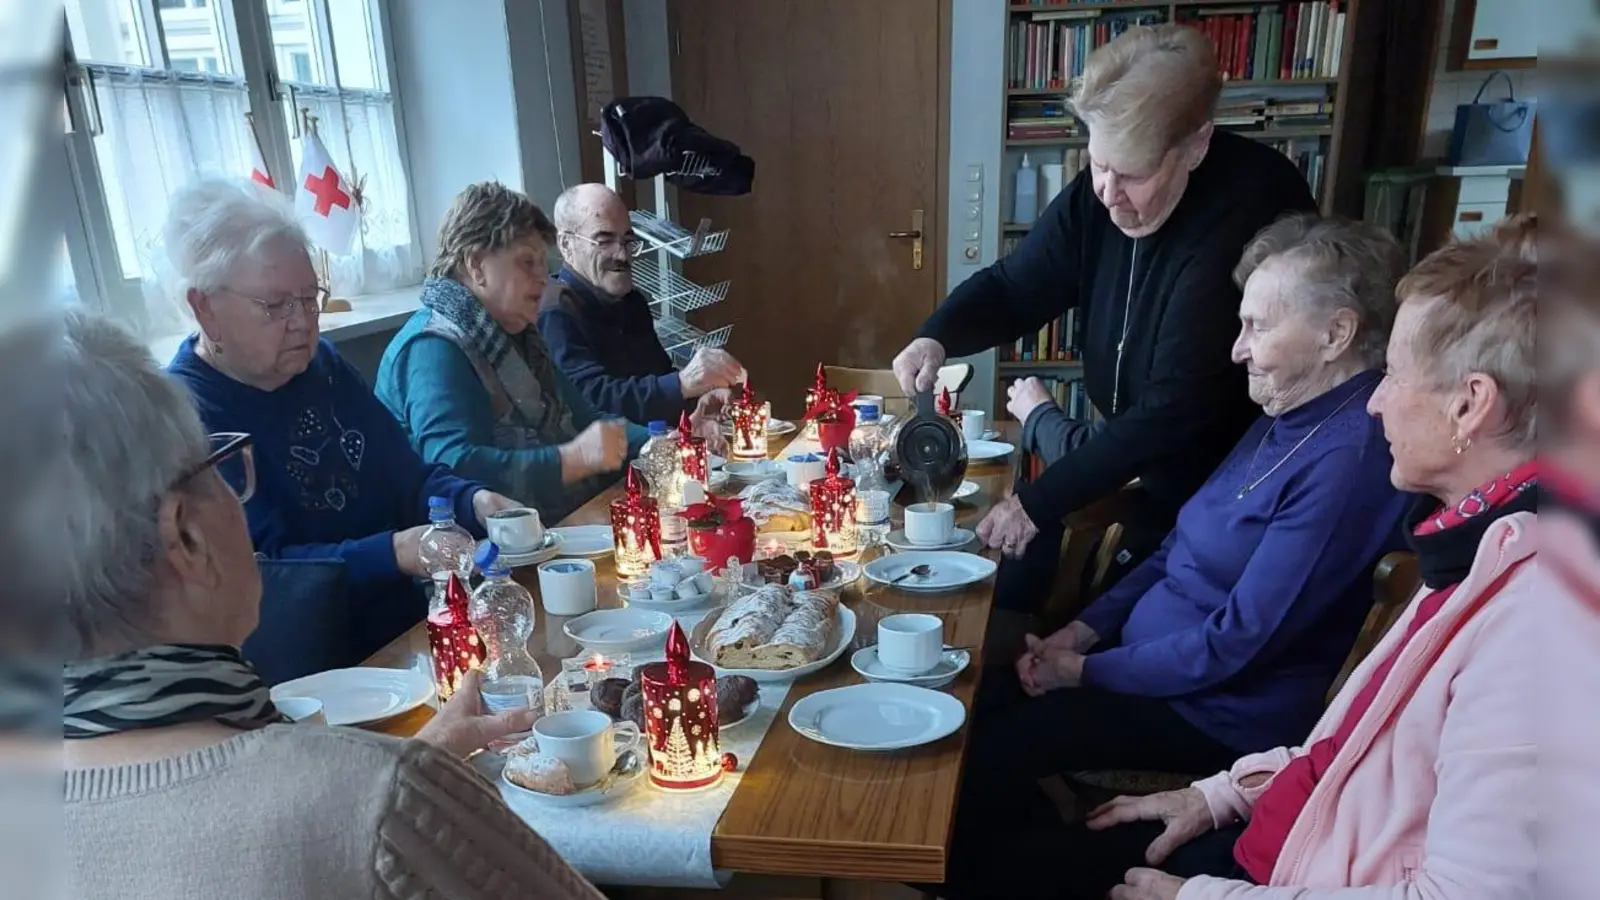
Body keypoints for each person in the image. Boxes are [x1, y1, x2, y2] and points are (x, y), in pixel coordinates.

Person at [940, 215, 1540, 900]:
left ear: (1336, 335)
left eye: (1396, 375)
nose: (1235, 351)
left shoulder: (1365, 471)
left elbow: (1241, 644)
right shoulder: (1294, 427)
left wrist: (1084, 670)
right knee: (971, 716)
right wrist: (1085, 635)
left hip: (1213, 717)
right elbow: (1347, 744)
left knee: (983, 793)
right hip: (1261, 790)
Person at [46, 310, 604, 900]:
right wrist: (400, 790)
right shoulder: (370, 802)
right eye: (223, 467)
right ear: (184, 536)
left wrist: (405, 774)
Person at [891, 24, 1316, 609]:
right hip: (1136, 473)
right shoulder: (1103, 190)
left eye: (1135, 174)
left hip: (1219, 506)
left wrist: (1037, 505)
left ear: (1195, 145)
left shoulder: (1247, 209)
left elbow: (1171, 414)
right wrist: (936, 337)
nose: (1109, 193)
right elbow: (1017, 288)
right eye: (1097, 165)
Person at [162, 180, 520, 665]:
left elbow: (406, 477)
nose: (303, 321)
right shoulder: (184, 414)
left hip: (404, 634)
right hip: (311, 663)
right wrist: (394, 552)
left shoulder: (322, 366)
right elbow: (268, 571)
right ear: (204, 307)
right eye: (276, 304)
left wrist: (474, 499)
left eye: (310, 298)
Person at [377, 181, 647, 523]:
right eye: (526, 262)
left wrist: (658, 443)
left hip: (539, 526)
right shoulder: (433, 348)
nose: (542, 278)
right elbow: (453, 465)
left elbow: (585, 417)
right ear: (475, 265)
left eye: (541, 263)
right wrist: (571, 459)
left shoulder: (518, 336)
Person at [538, 182, 744, 431]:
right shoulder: (555, 310)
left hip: (659, 450)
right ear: (566, 245)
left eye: (627, 241)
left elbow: (659, 377)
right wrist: (683, 383)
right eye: (604, 241)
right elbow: (590, 402)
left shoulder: (632, 301)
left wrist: (697, 403)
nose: (623, 256)